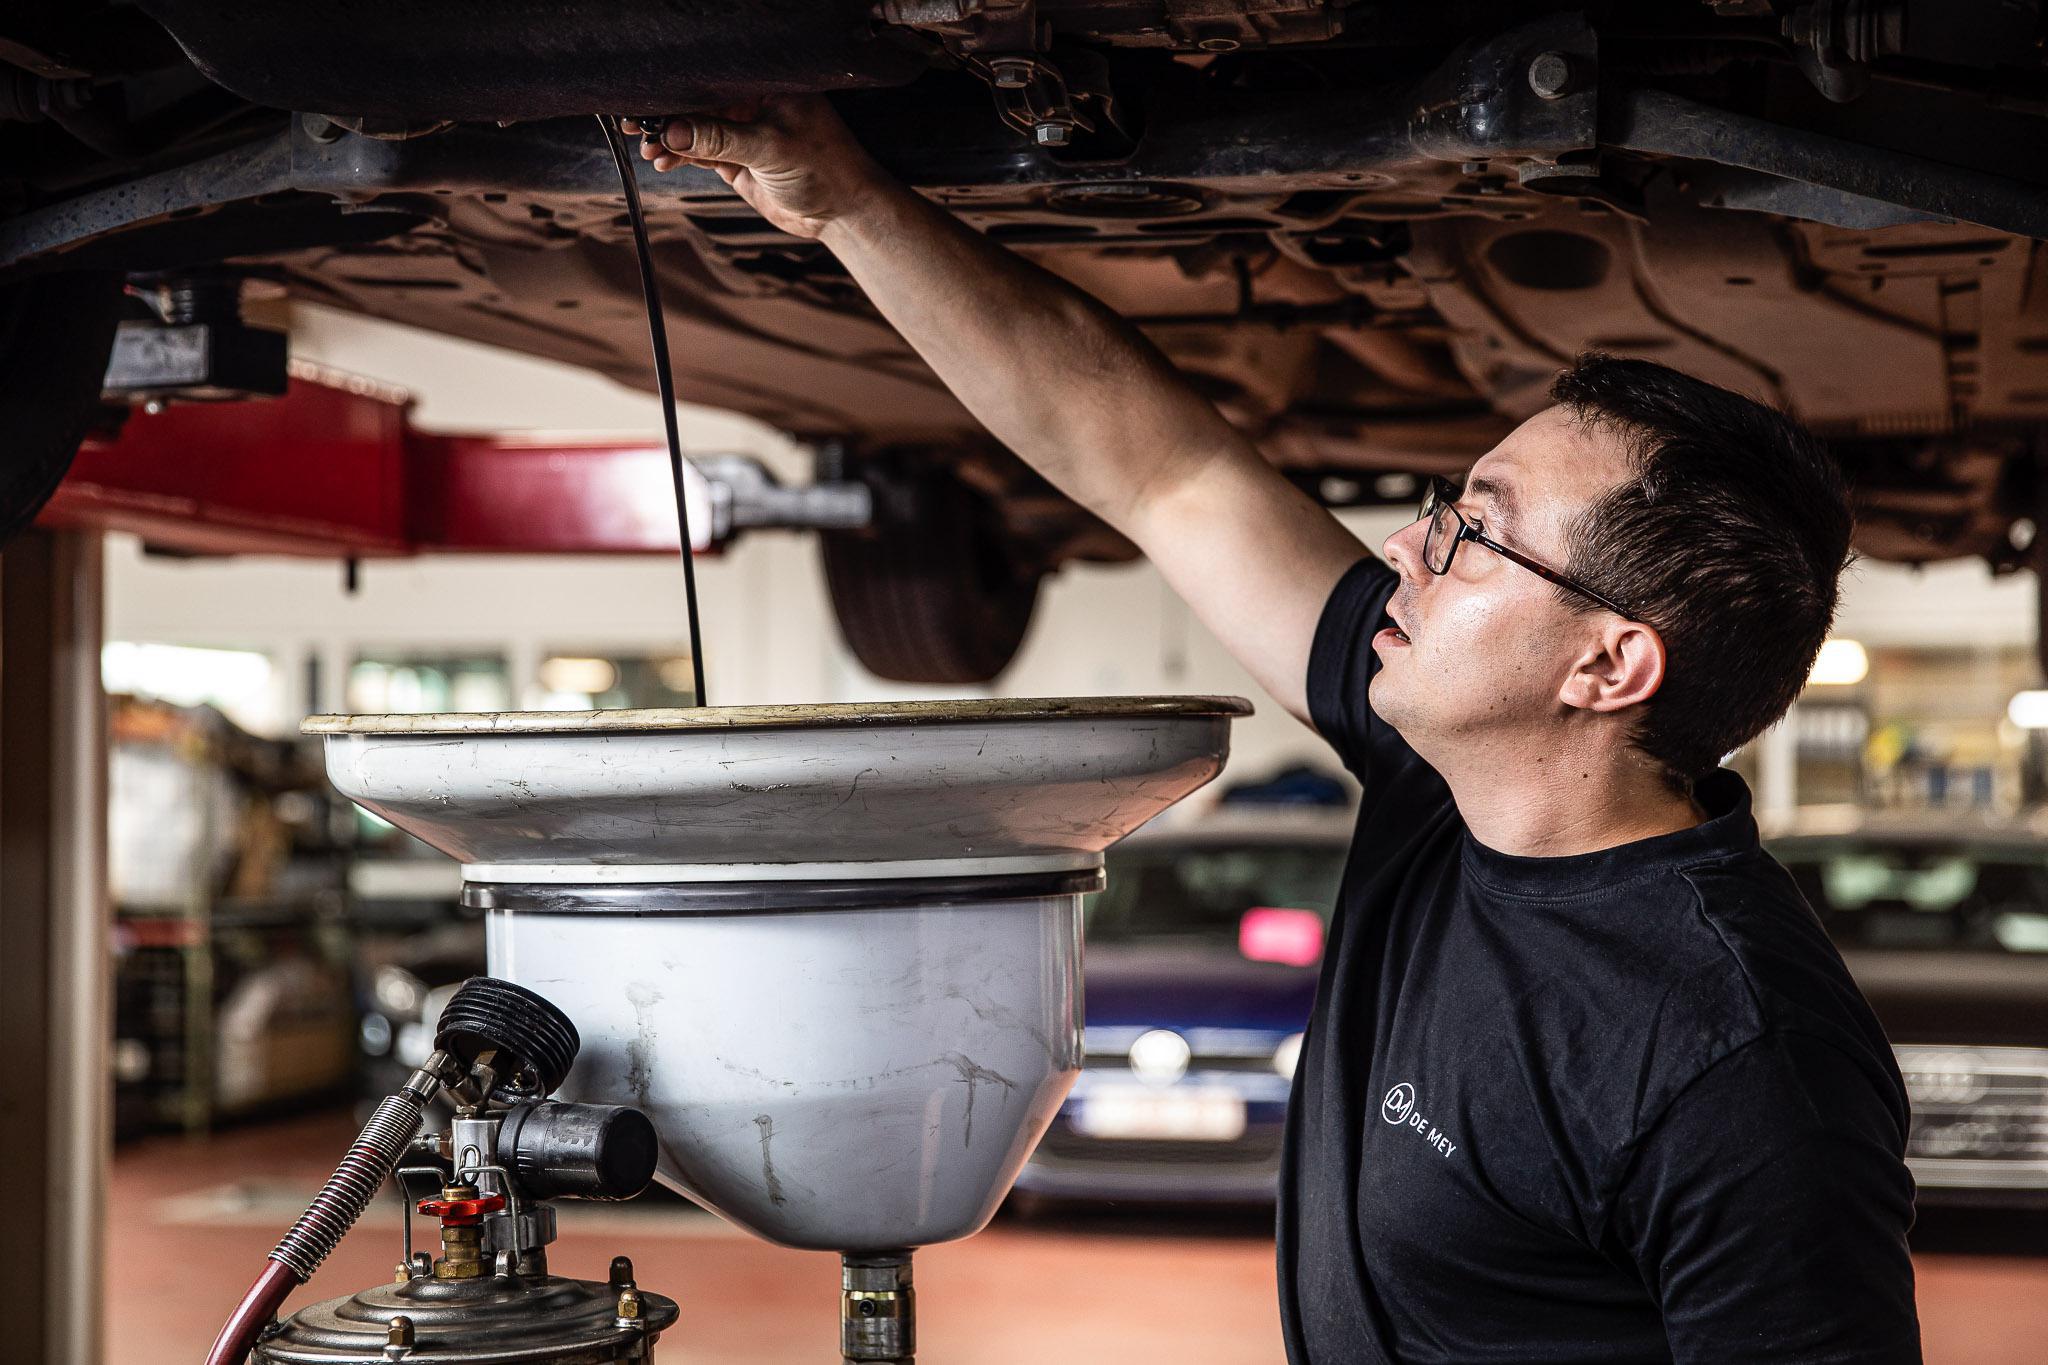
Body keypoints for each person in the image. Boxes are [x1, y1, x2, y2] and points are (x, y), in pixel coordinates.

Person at [628, 98, 1922, 1364]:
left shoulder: (1741, 1063)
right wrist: (847, 202)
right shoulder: (1439, 781)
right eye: (1445, 508)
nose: (1407, 547)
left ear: (1607, 663)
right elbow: (1159, 469)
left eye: (1476, 533)